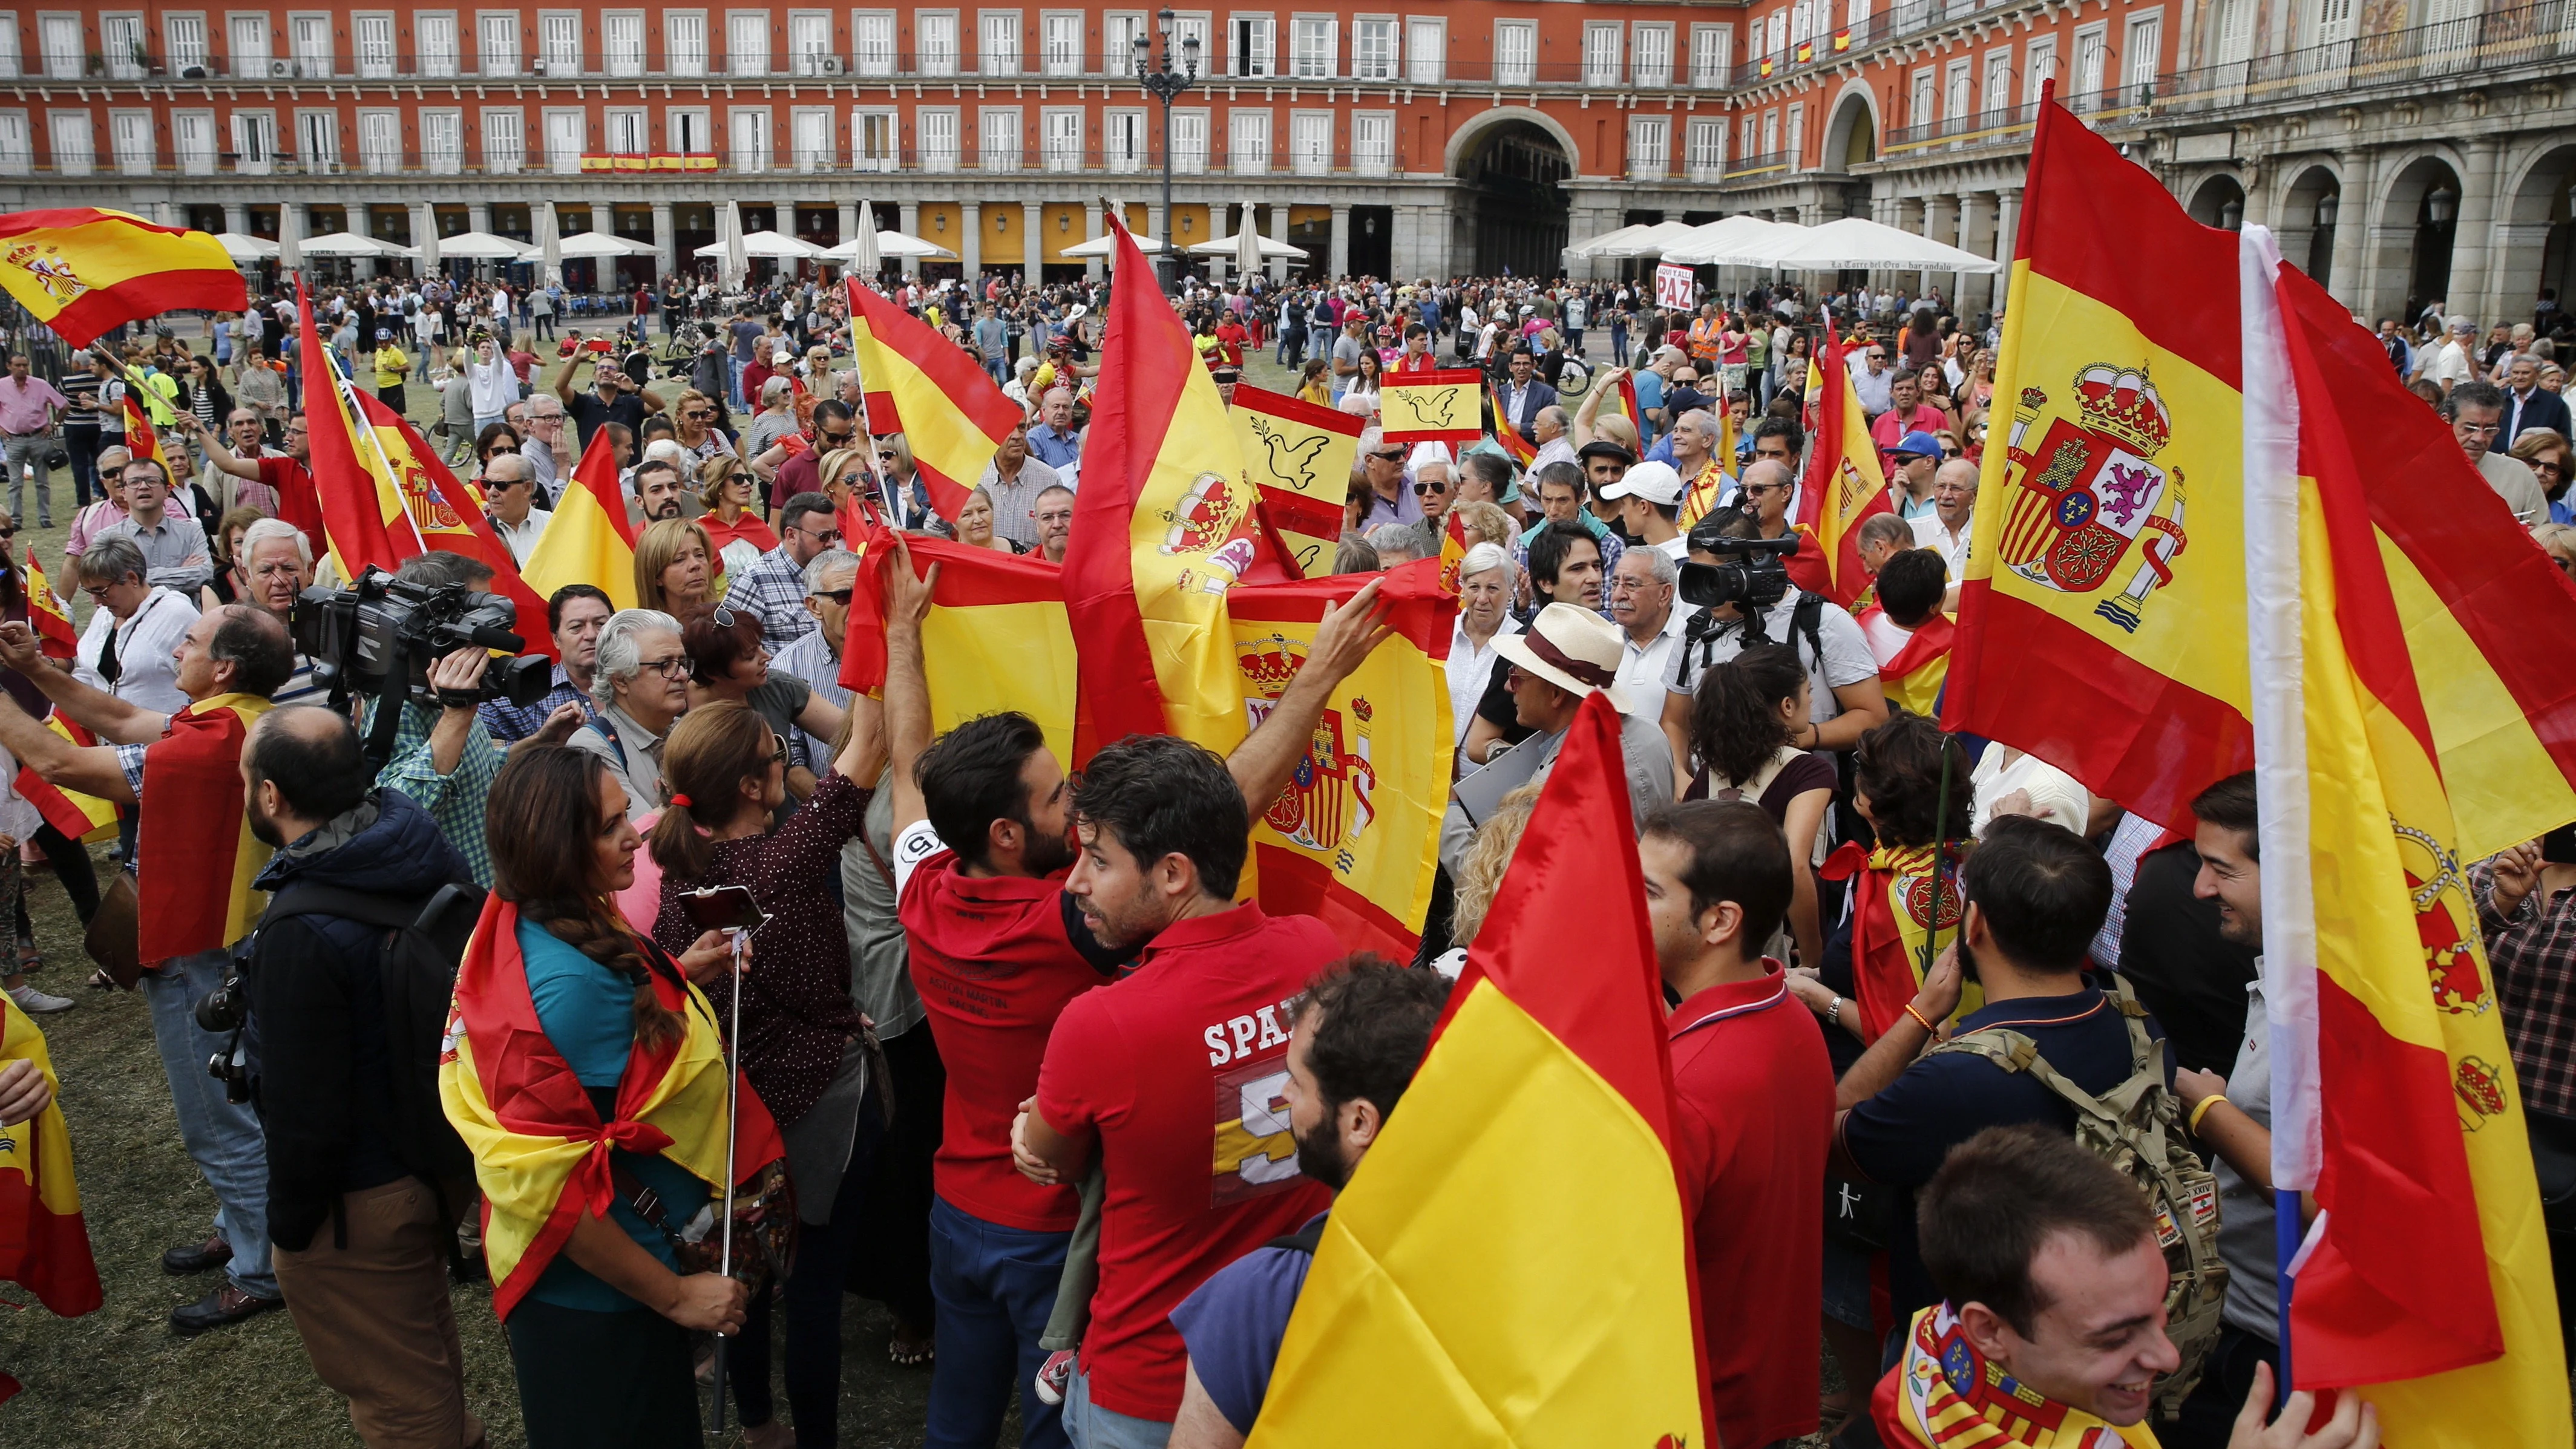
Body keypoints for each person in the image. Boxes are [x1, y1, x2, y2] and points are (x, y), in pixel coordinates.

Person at [882, 539, 1395, 1449]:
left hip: (957, 1209)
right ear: (1008, 834)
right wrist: (1314, 680)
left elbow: (904, 769)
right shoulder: (1069, 926)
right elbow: (1208, 816)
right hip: (1048, 1228)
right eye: (1058, 807)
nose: (1076, 820)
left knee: (955, 1419)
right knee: (1047, 1423)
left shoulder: (921, 889)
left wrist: (901, 637)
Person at [444, 745, 755, 1448]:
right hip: (605, 1303)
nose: (636, 834)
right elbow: (552, 1188)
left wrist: (677, 974)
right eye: (611, 825)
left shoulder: (544, 918)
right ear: (556, 847)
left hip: (608, 1291)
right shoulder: (569, 992)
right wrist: (676, 1296)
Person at [0, 603, 299, 1332]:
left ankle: (259, 1270)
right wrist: (34, 668)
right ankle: (242, 1226)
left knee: (217, 1120)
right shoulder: (239, 718)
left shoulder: (208, 742)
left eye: (189, 642)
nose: (176, 650)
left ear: (222, 667)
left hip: (199, 959)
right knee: (238, 1103)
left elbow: (60, 761)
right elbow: (127, 720)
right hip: (221, 947)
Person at [239, 705, 485, 1448]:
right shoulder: (413, 841)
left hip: (357, 1201)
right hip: (432, 1155)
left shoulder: (299, 931)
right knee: (424, 1353)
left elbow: (304, 1107)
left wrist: (290, 1229)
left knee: (402, 1404)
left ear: (273, 797)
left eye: (246, 778)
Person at [649, 698, 890, 1449]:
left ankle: (760, 1426)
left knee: (743, 1277)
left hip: (731, 1115)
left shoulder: (682, 873)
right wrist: (893, 626)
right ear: (754, 786)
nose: (787, 754)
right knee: (814, 1291)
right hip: (825, 1101)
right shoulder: (783, 860)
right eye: (775, 748)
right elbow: (871, 743)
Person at [1834, 814, 2177, 1324]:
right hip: (2087, 1313)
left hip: (1962, 1343)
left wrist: (1919, 1014)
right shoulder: (2139, 1026)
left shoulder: (1953, 1080)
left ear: (1972, 925)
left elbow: (1836, 1131)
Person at [1164, 958, 1453, 1449]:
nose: (1283, 1095)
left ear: (1360, 1121)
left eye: (1298, 1082)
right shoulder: (1523, 1247)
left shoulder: (1263, 1298)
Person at [1642, 800, 1833, 1449]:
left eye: (1648, 891)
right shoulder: (1793, 1018)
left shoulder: (1687, 1081)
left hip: (1693, 1412)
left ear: (1721, 921)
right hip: (1759, 1391)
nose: (1624, 901)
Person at [1685, 644, 1837, 969]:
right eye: (1808, 692)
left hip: (1711, 938)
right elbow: (1795, 865)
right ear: (1787, 705)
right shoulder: (1809, 772)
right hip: (1778, 947)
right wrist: (1813, 957)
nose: (1811, 700)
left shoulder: (1709, 772)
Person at [684, 609, 847, 806]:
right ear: (713, 672)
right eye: (750, 656)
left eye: (760, 646)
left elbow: (851, 734)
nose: (767, 656)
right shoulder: (677, 710)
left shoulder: (775, 685)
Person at [568, 609, 689, 822]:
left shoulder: (688, 733)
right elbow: (646, 836)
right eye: (665, 665)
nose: (682, 675)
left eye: (682, 662)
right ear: (621, 680)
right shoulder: (591, 749)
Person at [68, 534, 200, 718]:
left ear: (132, 579)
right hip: (116, 742)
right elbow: (90, 675)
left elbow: (205, 683)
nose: (95, 600)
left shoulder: (177, 615)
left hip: (167, 738)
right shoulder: (104, 616)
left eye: (101, 591)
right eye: (89, 592)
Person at [482, 585, 611, 744]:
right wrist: (542, 742)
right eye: (576, 627)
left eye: (601, 624)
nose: (591, 635)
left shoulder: (641, 682)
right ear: (556, 639)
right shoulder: (528, 692)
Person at [718, 491, 842, 655]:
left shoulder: (837, 572)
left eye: (835, 535)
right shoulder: (755, 579)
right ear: (792, 535)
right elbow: (728, 647)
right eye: (823, 536)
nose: (832, 544)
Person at [1446, 543, 1519, 772]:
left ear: (1511, 590)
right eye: (1474, 587)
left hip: (1489, 785)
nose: (1482, 598)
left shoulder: (1521, 644)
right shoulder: (1440, 635)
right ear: (1462, 588)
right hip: (1433, 777)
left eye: (1493, 589)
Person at [97, 457, 215, 597]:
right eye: (134, 482)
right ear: (123, 492)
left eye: (152, 481)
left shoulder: (191, 531)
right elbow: (107, 582)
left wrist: (135, 579)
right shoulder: (107, 539)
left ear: (167, 490)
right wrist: (180, 572)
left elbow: (205, 575)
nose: (143, 487)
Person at [2444, 380, 2549, 524]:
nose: (2480, 438)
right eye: (2470, 428)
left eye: (2490, 430)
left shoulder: (2520, 475)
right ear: (2446, 421)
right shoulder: (2415, 470)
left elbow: (2544, 537)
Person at [1608, 547, 1684, 725]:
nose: (1619, 595)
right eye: (1614, 584)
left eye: (1632, 585)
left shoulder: (1692, 643)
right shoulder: (1603, 641)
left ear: (1664, 594)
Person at [0, 352, 68, 527]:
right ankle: (16, 520)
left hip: (39, 436)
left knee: (42, 481)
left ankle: (44, 518)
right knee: (15, 482)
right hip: (14, 439)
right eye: (18, 366)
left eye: (25, 365)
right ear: (9, 366)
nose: (22, 369)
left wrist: (54, 424)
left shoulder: (41, 385)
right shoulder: (2, 386)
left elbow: (64, 405)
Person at [978, 417, 1064, 551]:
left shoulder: (1049, 479)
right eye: (1008, 429)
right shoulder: (973, 477)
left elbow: (1062, 534)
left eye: (1022, 428)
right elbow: (936, 525)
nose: (1017, 436)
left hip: (1033, 569)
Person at [698, 456, 780, 580]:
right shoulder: (700, 530)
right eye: (738, 479)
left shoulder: (755, 524)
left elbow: (777, 568)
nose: (747, 484)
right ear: (719, 486)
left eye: (748, 479)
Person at [634, 517, 716, 624]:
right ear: (656, 576)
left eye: (700, 555)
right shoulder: (643, 635)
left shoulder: (728, 625)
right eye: (679, 560)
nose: (695, 564)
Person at [1912, 458, 1976, 587]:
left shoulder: (1990, 538)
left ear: (1974, 496)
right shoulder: (1911, 532)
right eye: (1941, 487)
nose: (1946, 495)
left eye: (1956, 488)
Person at [1027, 388, 1084, 472]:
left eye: (1066, 407)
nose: (1061, 412)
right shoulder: (1034, 439)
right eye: (1056, 407)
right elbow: (1034, 475)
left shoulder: (1078, 439)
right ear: (1044, 411)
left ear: (1071, 412)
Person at [1034, 485, 1077, 566]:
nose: (1057, 525)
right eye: (1047, 518)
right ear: (1037, 525)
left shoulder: (1100, 567)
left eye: (1065, 515)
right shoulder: (1025, 569)